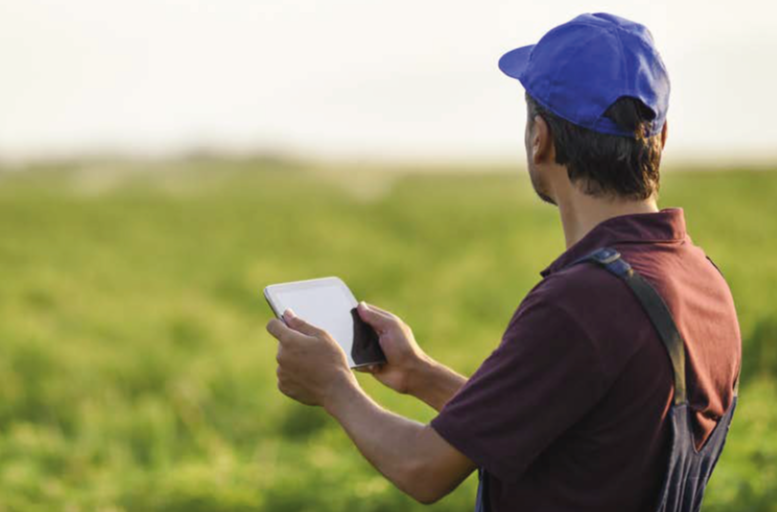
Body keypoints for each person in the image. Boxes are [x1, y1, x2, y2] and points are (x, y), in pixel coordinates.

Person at [265, 12, 741, 512]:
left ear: (541, 139)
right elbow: (576, 436)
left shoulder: (583, 304)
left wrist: (333, 386)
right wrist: (419, 374)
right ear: (660, 140)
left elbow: (422, 468)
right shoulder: (703, 281)